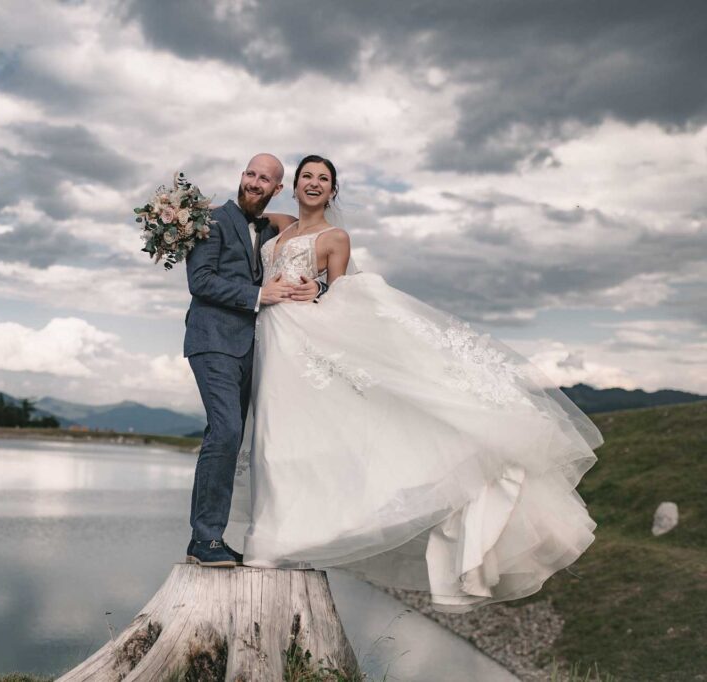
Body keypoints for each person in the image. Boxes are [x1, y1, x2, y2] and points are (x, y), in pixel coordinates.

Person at [231, 154, 601, 612]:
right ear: (293, 185)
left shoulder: (335, 237)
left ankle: (280, 540)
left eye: (323, 180)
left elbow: (342, 295)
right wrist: (184, 214)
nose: (313, 184)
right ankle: (267, 535)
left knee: (292, 440)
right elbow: (237, 213)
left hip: (302, 341)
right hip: (272, 339)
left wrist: (319, 290)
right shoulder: (278, 224)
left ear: (332, 192)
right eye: (306, 176)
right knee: (270, 436)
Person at [182, 153, 322, 567]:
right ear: (241, 177)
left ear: (277, 188)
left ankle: (210, 538)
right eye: (250, 174)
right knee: (225, 432)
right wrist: (260, 295)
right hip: (212, 340)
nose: (254, 182)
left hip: (251, 346)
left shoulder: (268, 227)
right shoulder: (212, 221)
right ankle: (204, 540)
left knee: (232, 437)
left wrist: (316, 285)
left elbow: (298, 239)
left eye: (265, 179)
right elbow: (200, 280)